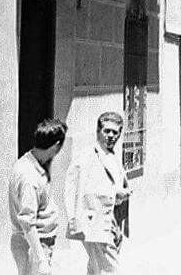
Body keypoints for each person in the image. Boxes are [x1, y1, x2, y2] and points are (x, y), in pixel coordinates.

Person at [65, 112, 131, 274]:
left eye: (115, 132)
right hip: (94, 224)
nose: (110, 136)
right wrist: (116, 195)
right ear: (98, 131)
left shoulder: (112, 156)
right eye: (106, 131)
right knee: (111, 269)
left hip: (112, 222)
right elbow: (75, 189)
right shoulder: (87, 156)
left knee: (95, 269)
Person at [9, 118, 68, 275]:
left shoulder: (27, 161)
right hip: (35, 244)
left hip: (31, 243)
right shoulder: (30, 177)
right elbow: (27, 221)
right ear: (56, 146)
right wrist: (41, 259)